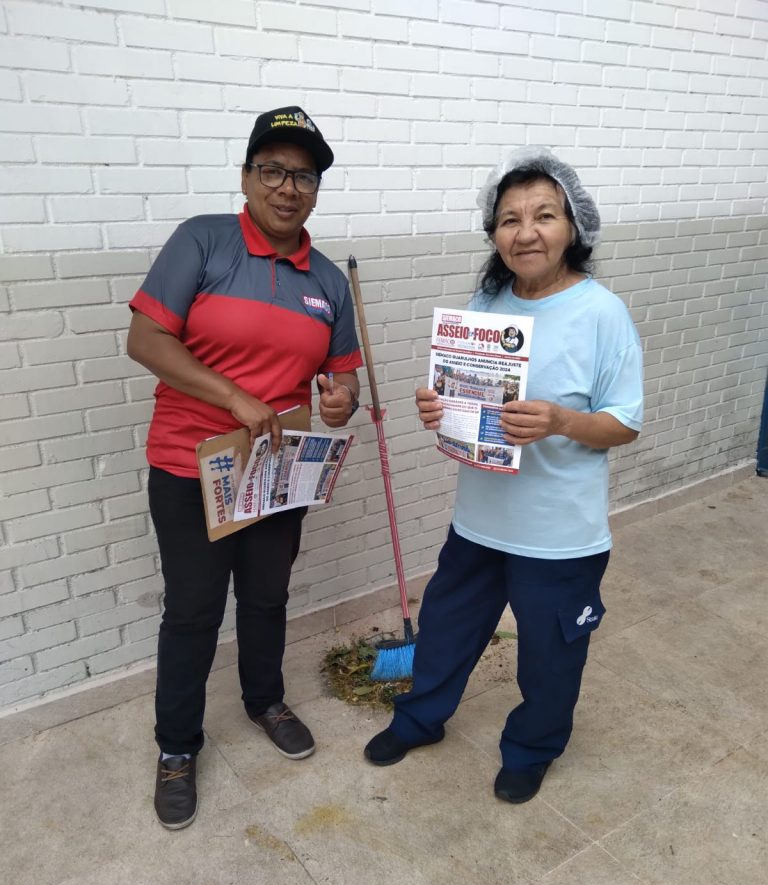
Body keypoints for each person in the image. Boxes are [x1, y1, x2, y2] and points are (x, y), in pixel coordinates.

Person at [364, 146, 643, 804]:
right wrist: (440, 409)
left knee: (550, 653)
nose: (526, 232)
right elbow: (465, 397)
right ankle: (419, 719)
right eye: (510, 219)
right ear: (493, 233)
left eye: (544, 215)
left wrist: (561, 421)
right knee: (446, 627)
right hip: (480, 519)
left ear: (574, 226)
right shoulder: (486, 302)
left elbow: (625, 423)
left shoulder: (602, 313)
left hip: (559, 533)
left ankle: (532, 748)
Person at [127, 106, 362, 829]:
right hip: (190, 466)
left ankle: (265, 701)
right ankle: (177, 746)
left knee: (266, 597)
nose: (288, 187)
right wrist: (234, 397)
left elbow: (343, 380)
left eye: (304, 176)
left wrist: (340, 401)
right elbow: (146, 339)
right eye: (273, 171)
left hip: (276, 471)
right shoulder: (203, 240)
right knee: (194, 610)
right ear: (247, 177)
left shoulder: (328, 281)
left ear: (316, 190)